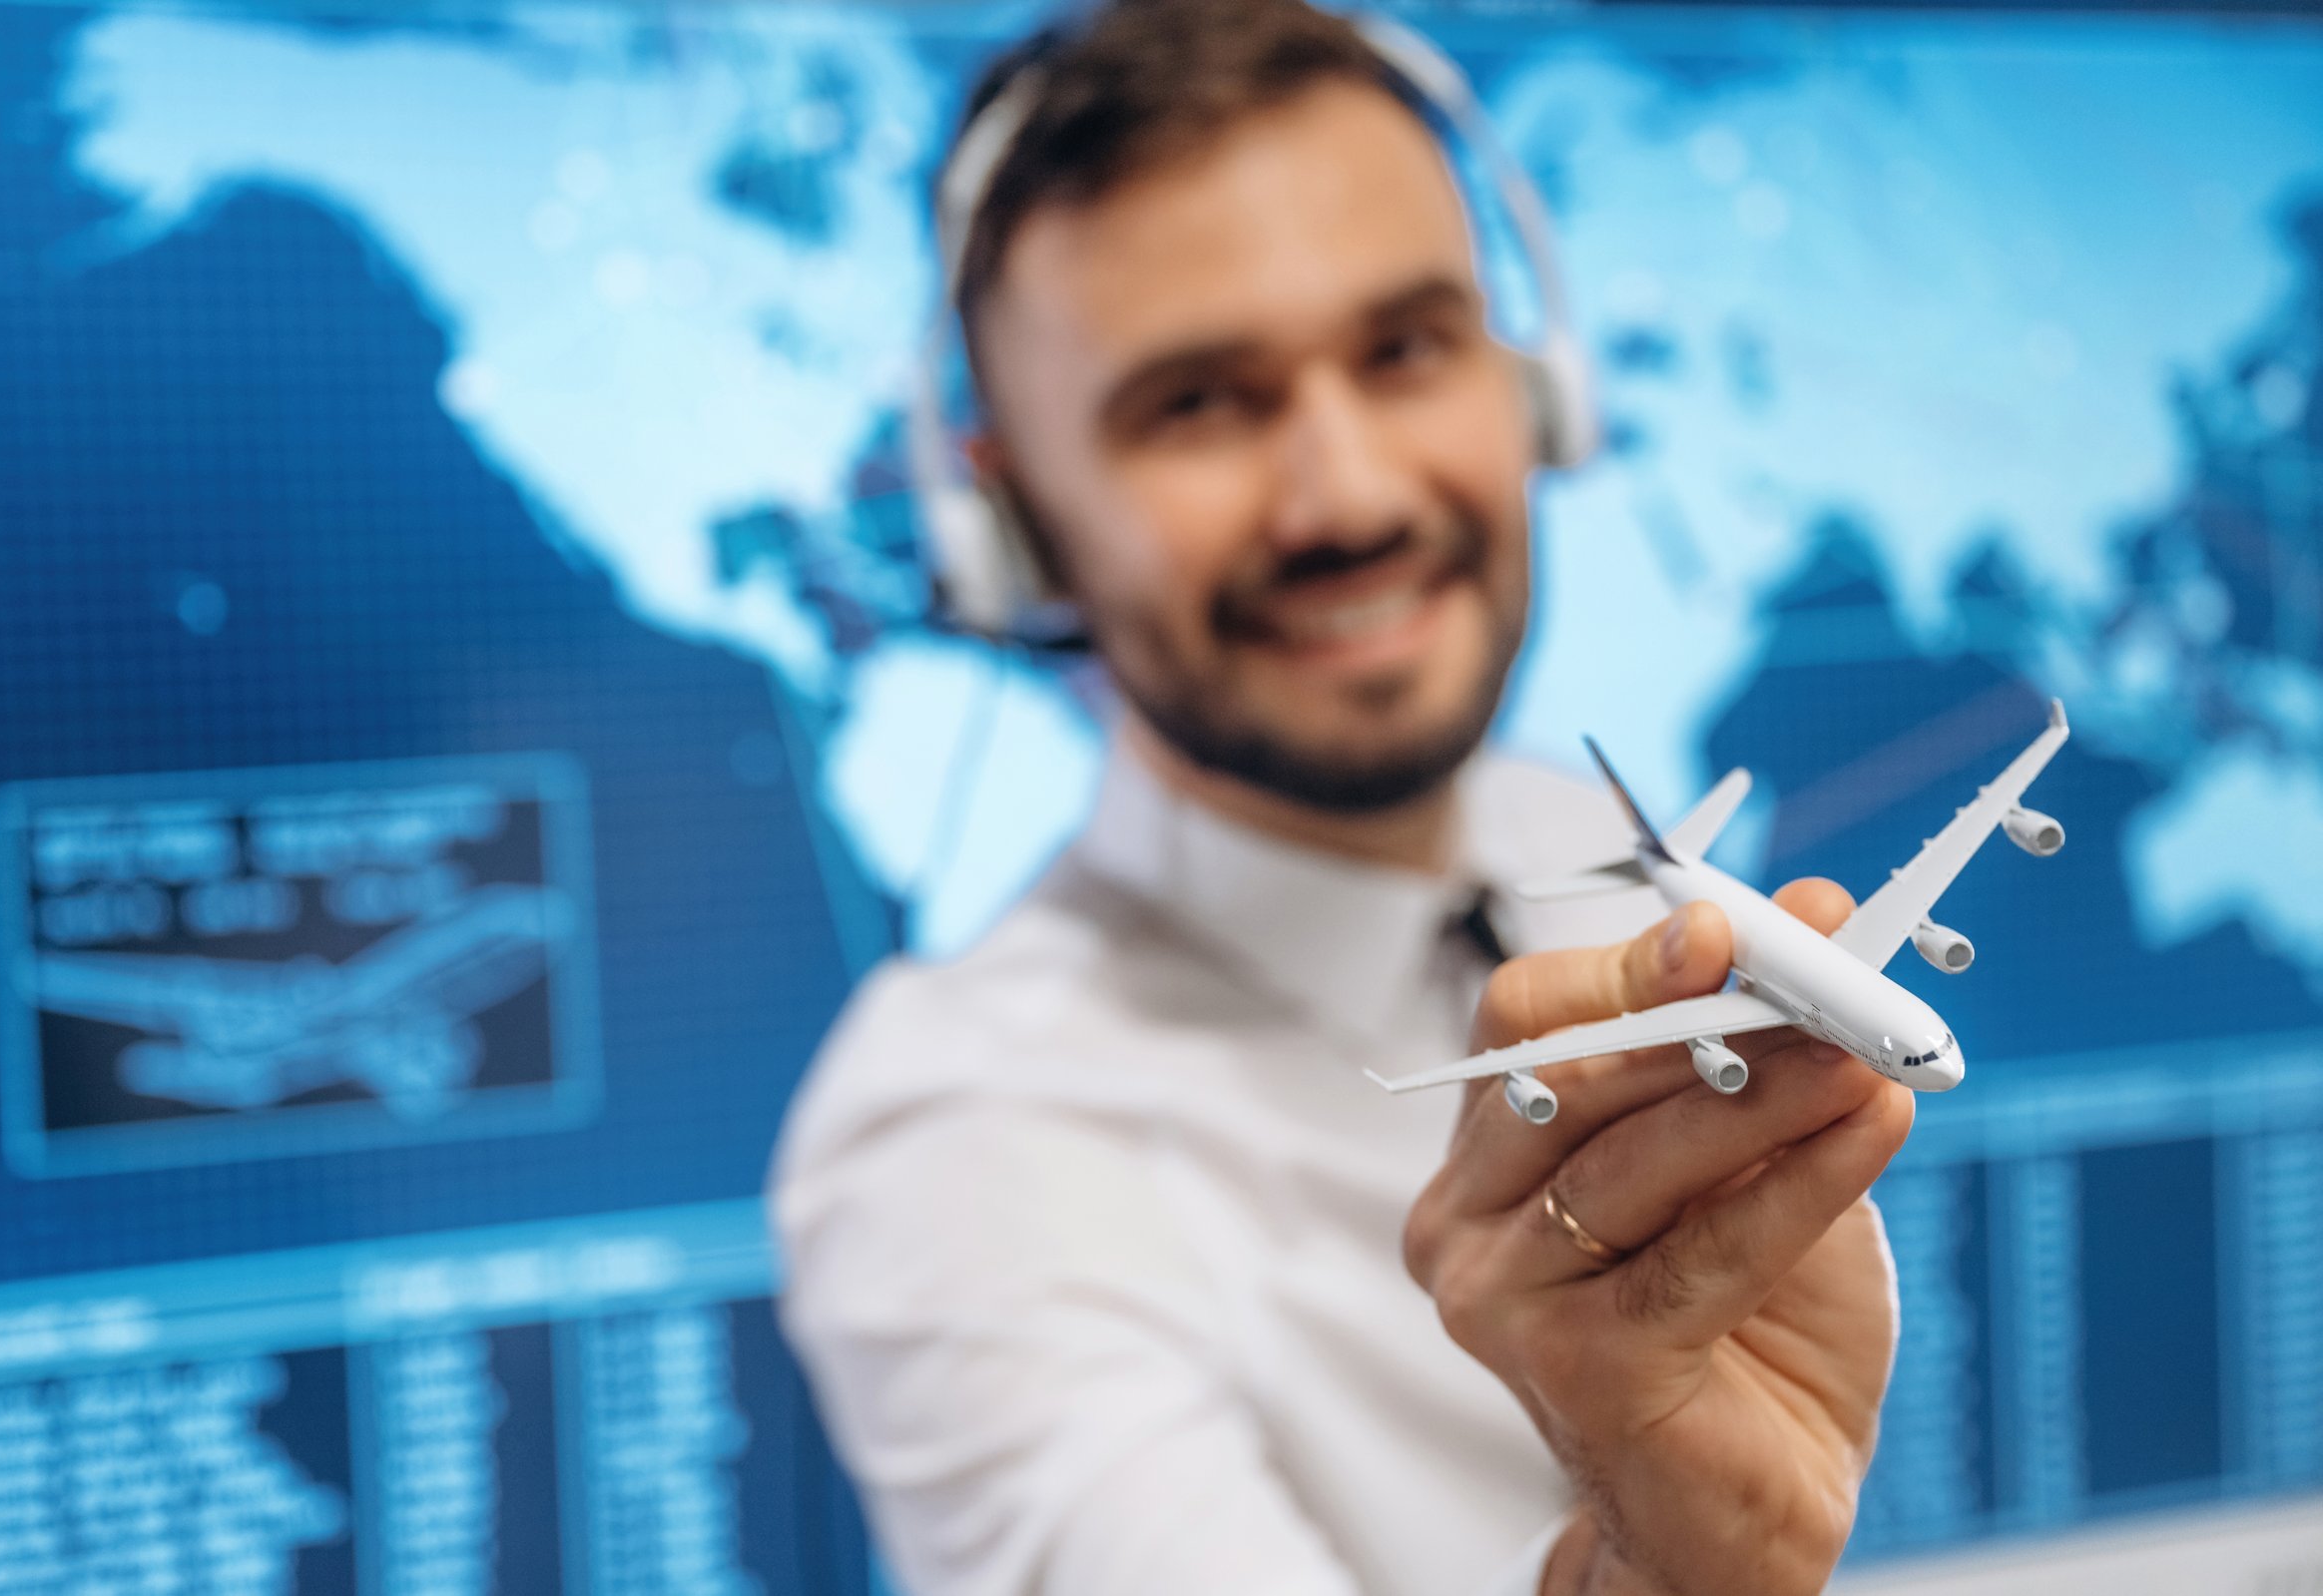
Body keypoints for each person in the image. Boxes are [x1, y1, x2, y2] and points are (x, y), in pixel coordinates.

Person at [769, 3, 1916, 1592]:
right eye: (1198, 404)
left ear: (1536, 389)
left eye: (1407, 348)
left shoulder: (1578, 856)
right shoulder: (951, 1151)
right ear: (1013, 526)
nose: (1353, 495)